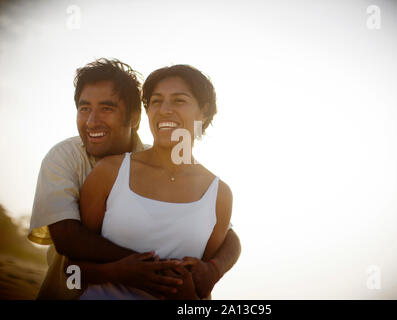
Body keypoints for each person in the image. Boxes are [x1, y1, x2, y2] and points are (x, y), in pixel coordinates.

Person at [28, 59, 241, 299]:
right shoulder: (88, 164)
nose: (92, 121)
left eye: (179, 100)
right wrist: (134, 269)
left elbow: (221, 243)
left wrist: (212, 270)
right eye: (156, 101)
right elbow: (70, 248)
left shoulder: (219, 192)